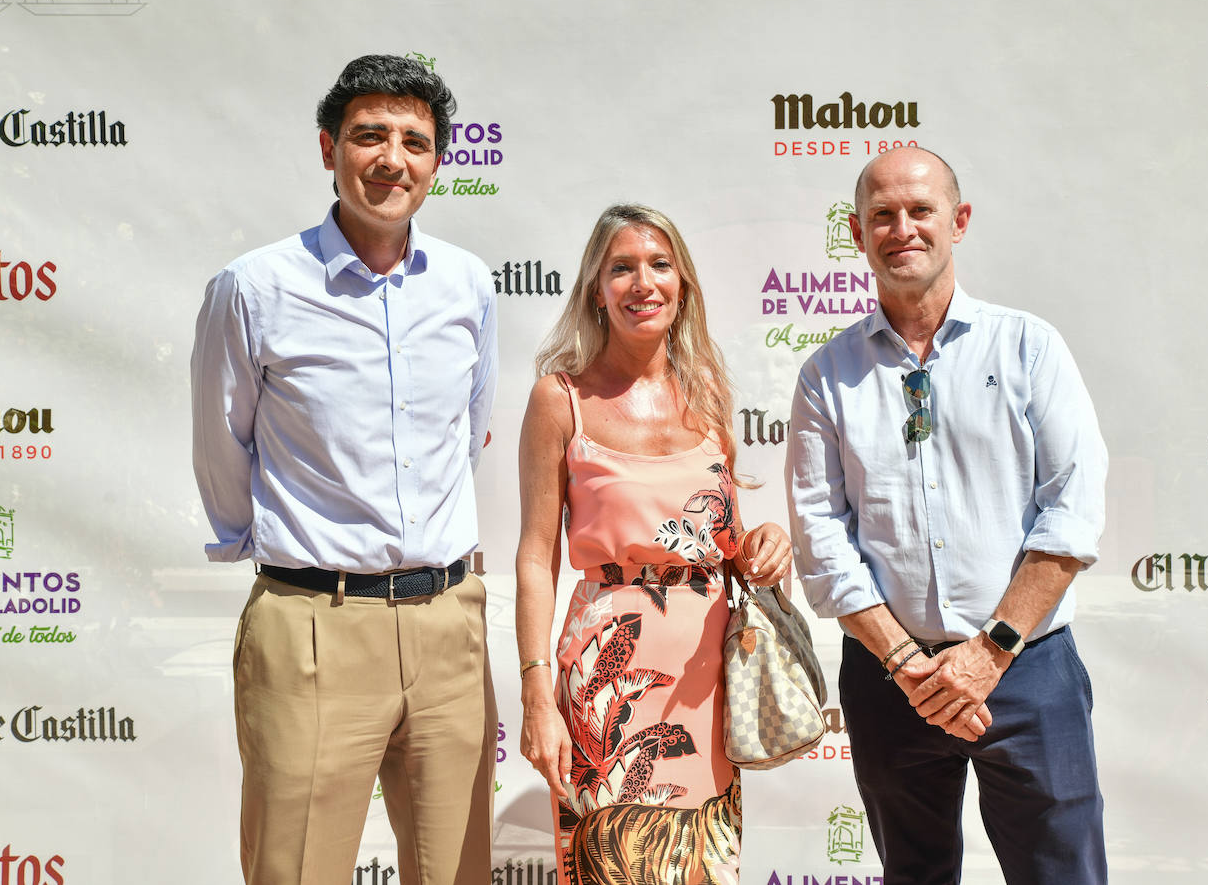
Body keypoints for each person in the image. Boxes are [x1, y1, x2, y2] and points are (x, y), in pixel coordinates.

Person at [190, 54, 498, 885]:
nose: (392, 158)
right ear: (329, 148)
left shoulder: (468, 285)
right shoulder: (254, 287)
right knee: (296, 872)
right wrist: (298, 562)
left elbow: (466, 437)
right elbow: (224, 447)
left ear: (437, 161)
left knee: (457, 872)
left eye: (414, 141)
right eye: (369, 136)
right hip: (313, 625)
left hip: (448, 625)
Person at [785, 147, 1108, 885]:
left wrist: (987, 654)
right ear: (858, 234)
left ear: (957, 221)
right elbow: (821, 536)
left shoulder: (1028, 346)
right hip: (890, 680)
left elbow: (1072, 510)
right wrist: (907, 665)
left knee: (1063, 874)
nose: (902, 229)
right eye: (882, 216)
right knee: (914, 874)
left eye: (920, 210)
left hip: (1025, 670)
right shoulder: (826, 375)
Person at [514, 204, 792, 884]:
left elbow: (720, 540)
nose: (644, 283)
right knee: (613, 864)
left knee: (704, 863)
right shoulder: (560, 399)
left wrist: (766, 539)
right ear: (595, 290)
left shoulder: (706, 394)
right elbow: (533, 557)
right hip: (609, 679)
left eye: (660, 265)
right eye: (622, 268)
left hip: (706, 676)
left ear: (683, 285)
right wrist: (535, 696)